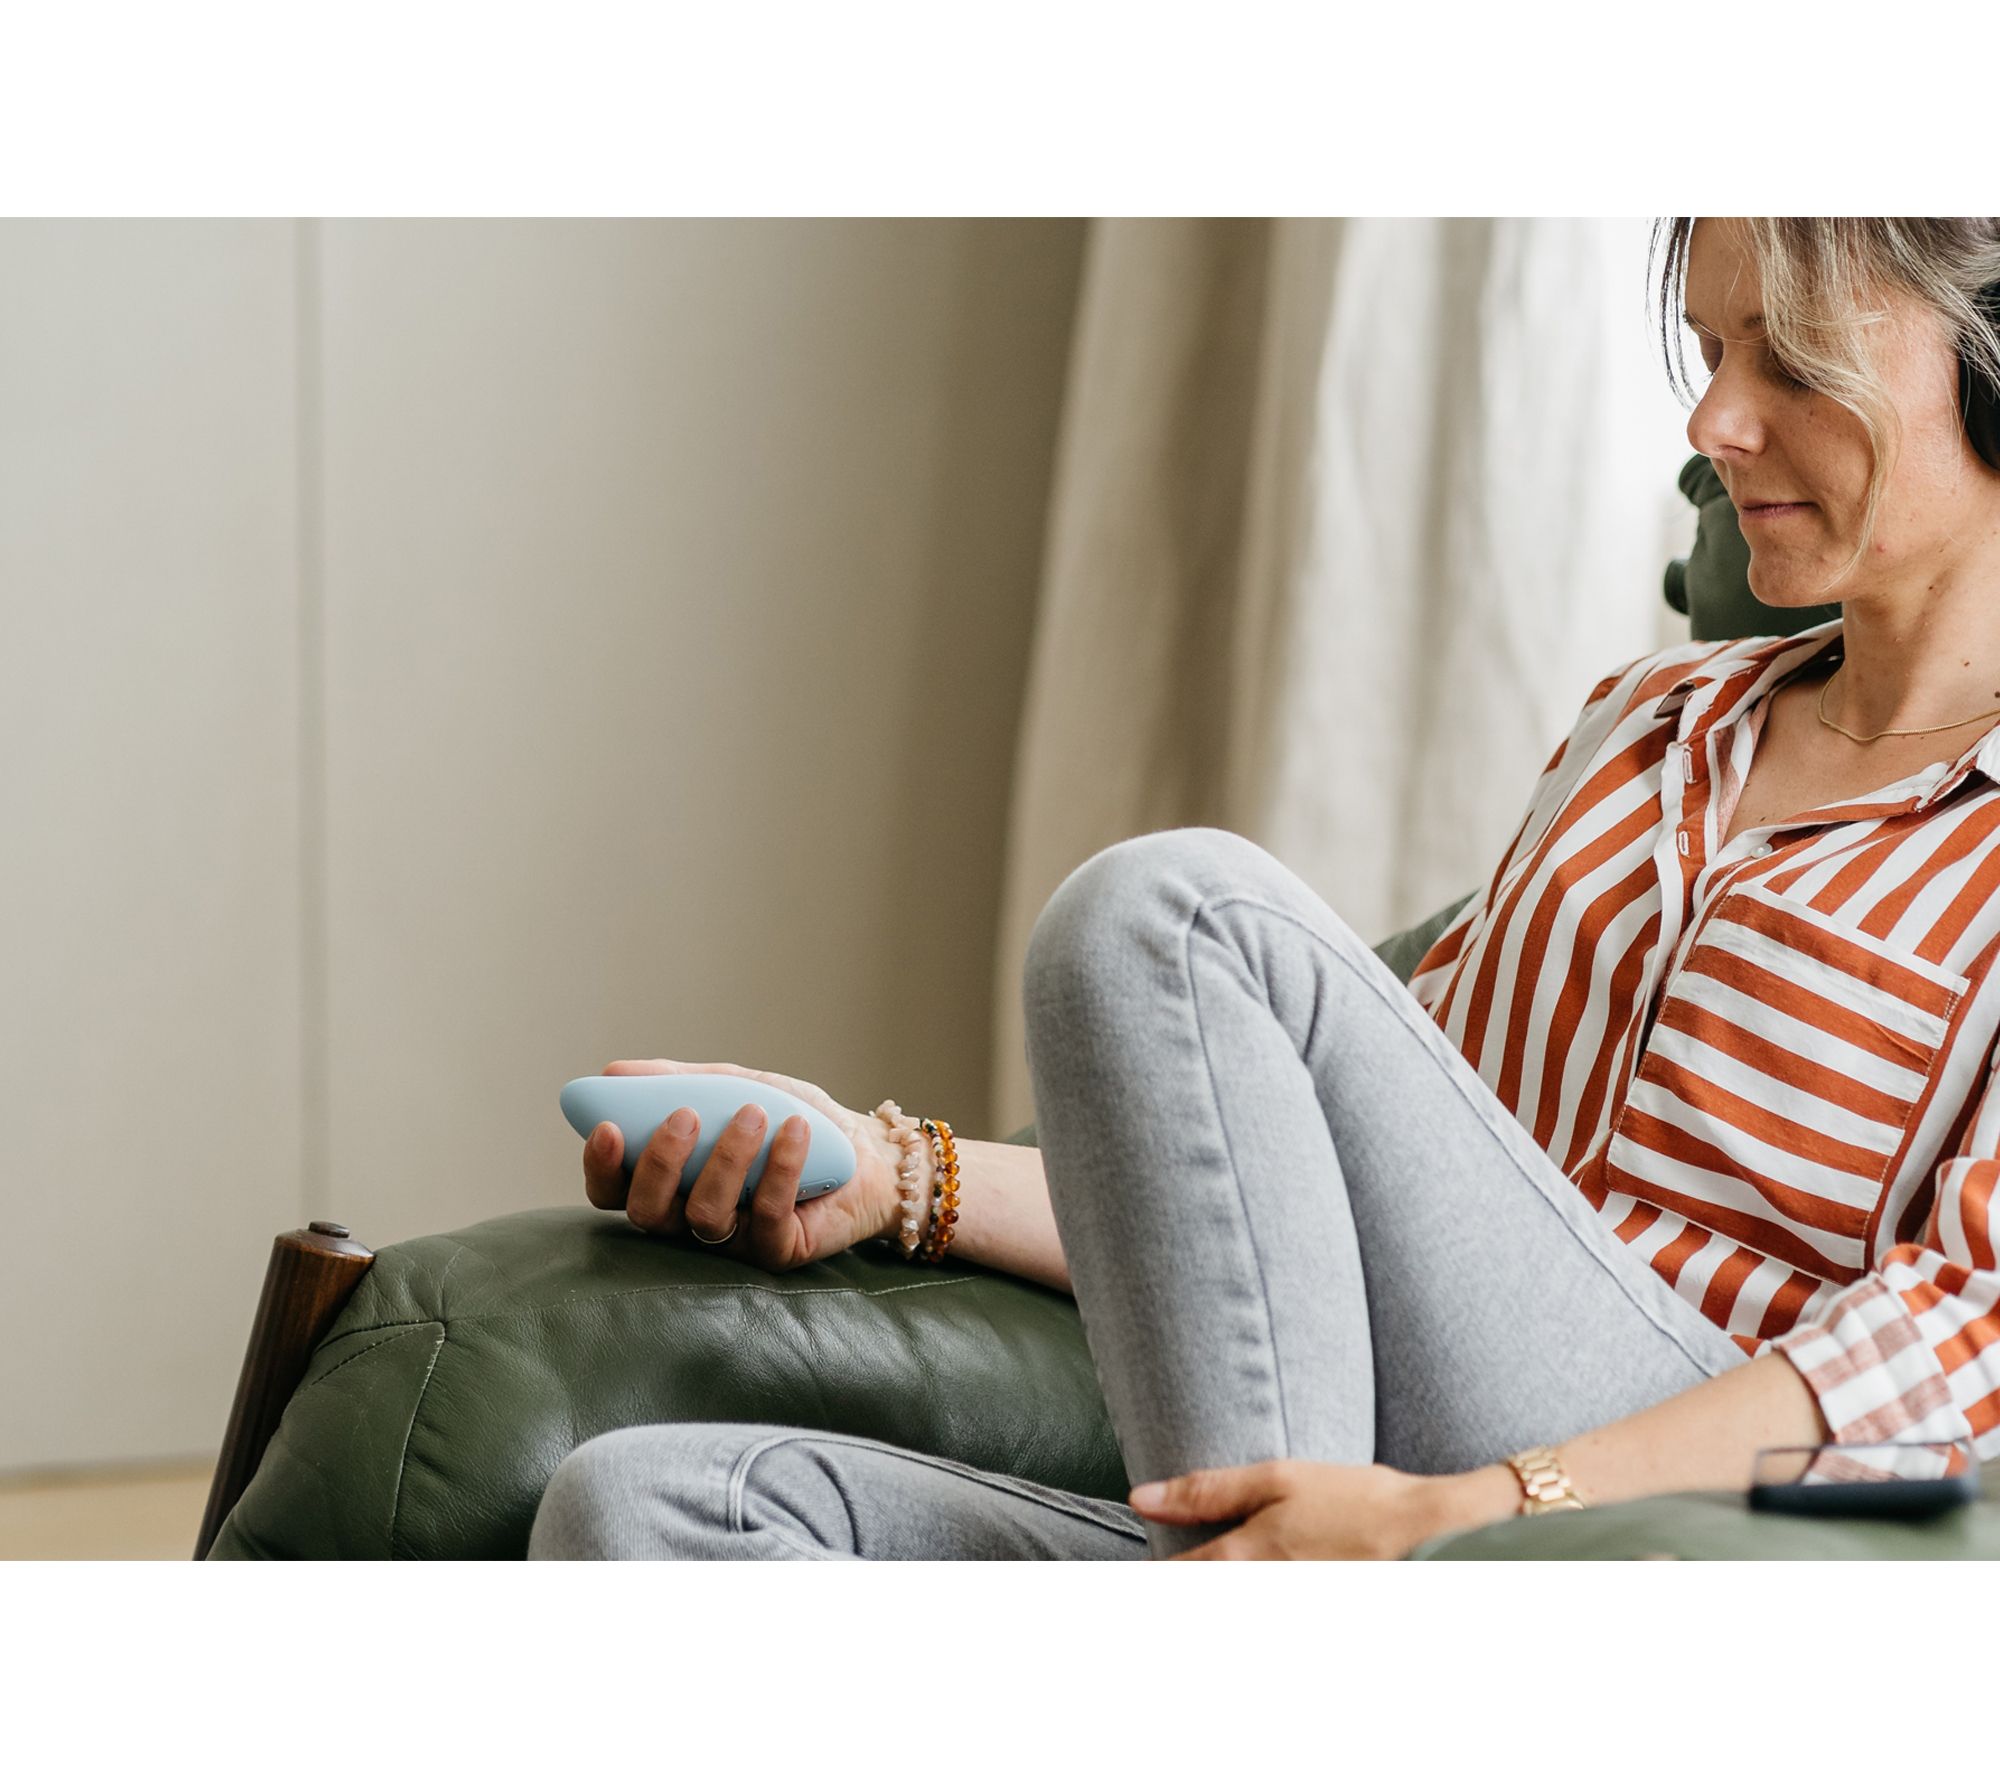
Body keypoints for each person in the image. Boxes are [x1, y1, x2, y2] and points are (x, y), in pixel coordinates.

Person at [528, 217, 2000, 1560]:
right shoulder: (1648, 727)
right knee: (656, 1511)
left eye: (1791, 360)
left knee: (1173, 918)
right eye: (1712, 350)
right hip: (1380, 1495)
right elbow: (1300, 1201)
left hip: (1668, 1513)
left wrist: (1477, 1510)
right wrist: (895, 1173)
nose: (1714, 421)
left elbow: (1965, 1345)